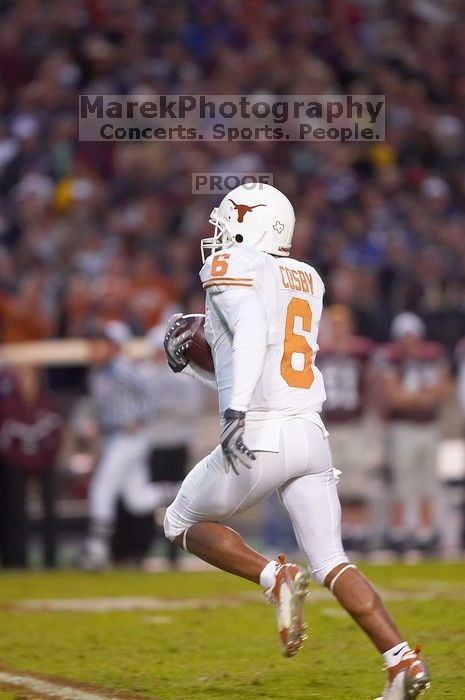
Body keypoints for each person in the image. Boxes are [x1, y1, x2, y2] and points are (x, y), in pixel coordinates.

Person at [162, 183, 430, 700]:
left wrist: (234, 409)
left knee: (179, 522)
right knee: (332, 561)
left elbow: (252, 328)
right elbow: (255, 349)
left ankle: (271, 574)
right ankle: (402, 662)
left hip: (261, 433)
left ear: (251, 224)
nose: (218, 235)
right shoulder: (307, 275)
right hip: (310, 434)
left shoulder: (232, 265)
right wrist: (201, 360)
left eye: (227, 223)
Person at [78, 321, 179, 570]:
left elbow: (152, 391)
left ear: (111, 347)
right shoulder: (97, 374)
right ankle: (181, 491)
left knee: (102, 489)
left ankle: (96, 550)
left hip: (129, 438)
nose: (92, 349)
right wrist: (95, 424)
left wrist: (139, 418)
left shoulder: (121, 369)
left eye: (97, 344)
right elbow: (103, 408)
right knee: (137, 498)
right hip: (115, 437)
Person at [375, 313, 451, 557]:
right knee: (402, 481)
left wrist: (412, 398)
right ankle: (398, 531)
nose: (409, 342)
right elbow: (393, 397)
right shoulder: (392, 359)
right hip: (403, 428)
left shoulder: (433, 355)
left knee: (428, 481)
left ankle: (425, 531)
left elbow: (442, 390)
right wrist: (422, 398)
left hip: (428, 427)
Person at [317, 304, 376, 552]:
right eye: (335, 324)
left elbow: (373, 383)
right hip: (330, 424)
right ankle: (340, 532)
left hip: (355, 423)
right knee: (333, 479)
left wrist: (373, 415)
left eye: (342, 323)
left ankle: (360, 530)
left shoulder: (361, 351)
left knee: (357, 479)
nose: (339, 329)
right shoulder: (320, 352)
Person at [0, 364, 62, 567]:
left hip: (44, 462)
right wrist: (24, 459)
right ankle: (16, 560)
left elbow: (55, 437)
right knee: (14, 511)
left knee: (50, 511)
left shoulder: (48, 404)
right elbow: (6, 443)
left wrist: (38, 458)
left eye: (30, 378)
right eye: (22, 378)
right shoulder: (7, 406)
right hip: (15, 464)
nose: (27, 383)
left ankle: (51, 560)